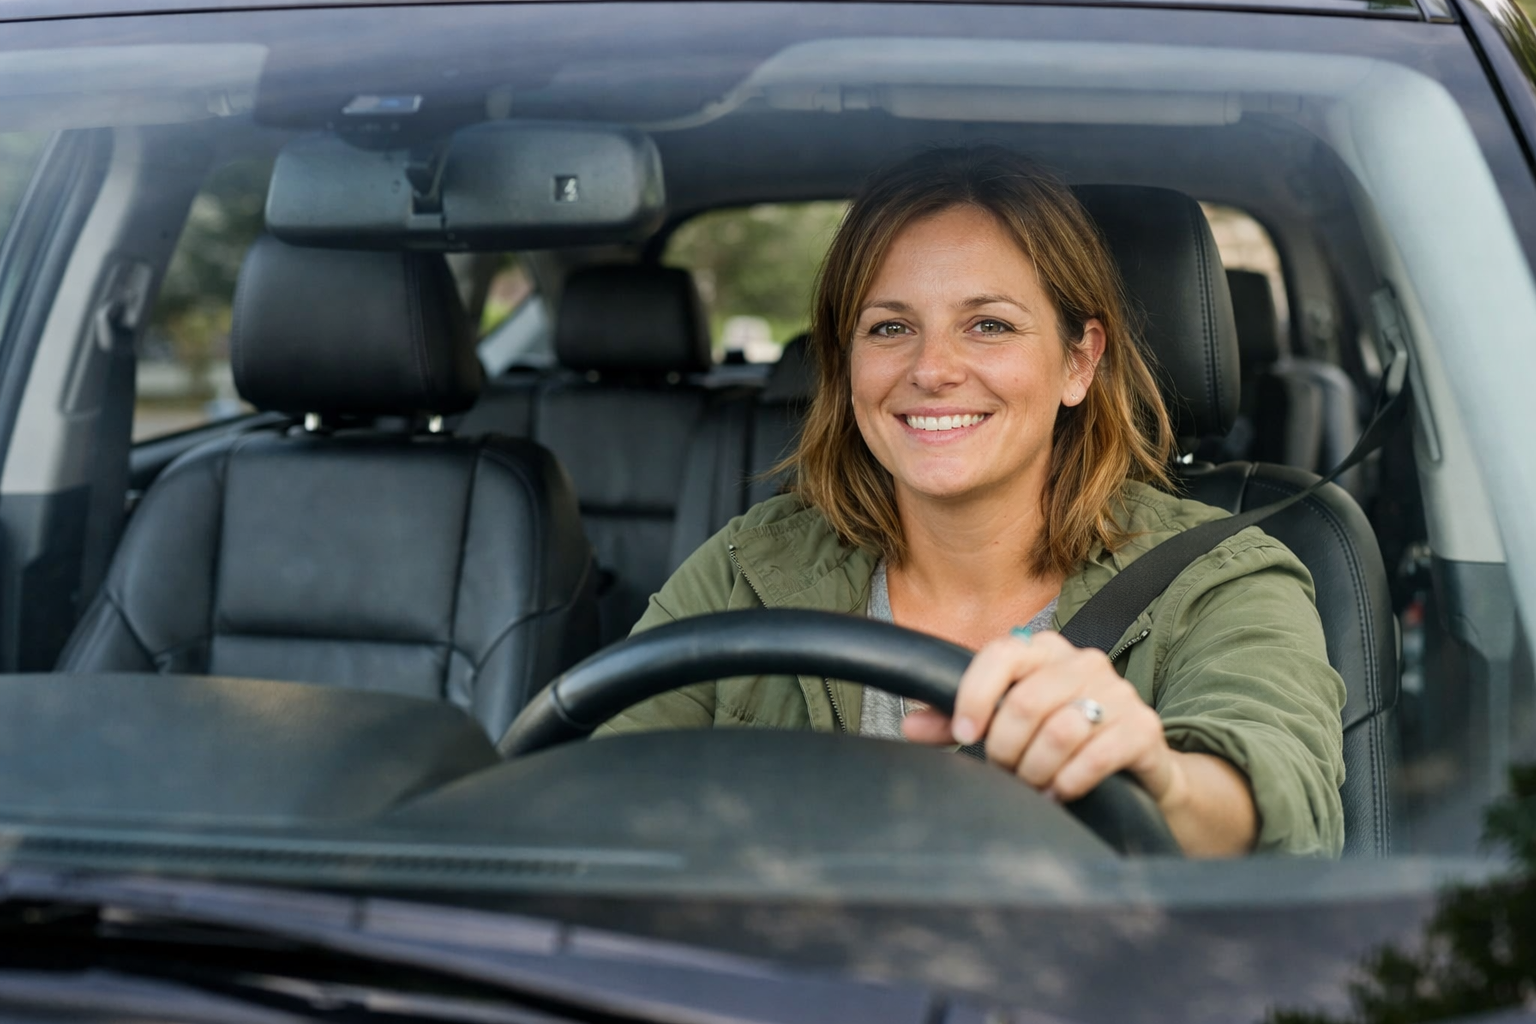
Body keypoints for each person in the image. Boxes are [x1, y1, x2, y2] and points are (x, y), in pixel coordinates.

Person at [596, 146, 1346, 858]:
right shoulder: (749, 566)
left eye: (988, 325)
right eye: (890, 327)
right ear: (846, 361)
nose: (932, 369)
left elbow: (1278, 792)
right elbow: (584, 806)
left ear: (1079, 361)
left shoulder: (1222, 580)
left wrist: (1162, 779)